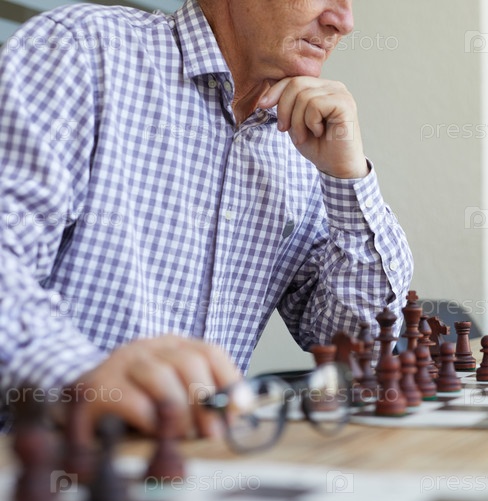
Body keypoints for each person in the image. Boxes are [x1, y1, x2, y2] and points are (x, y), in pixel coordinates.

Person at [0, 0, 413, 437]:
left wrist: (348, 178)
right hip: (42, 462)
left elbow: (359, 344)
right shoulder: (77, 50)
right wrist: (79, 376)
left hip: (202, 461)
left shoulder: (304, 141)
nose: (343, 21)